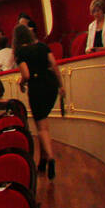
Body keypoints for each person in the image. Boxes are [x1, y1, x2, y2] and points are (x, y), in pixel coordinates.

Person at [15, 23, 63, 178]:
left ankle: (50, 157)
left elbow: (27, 75)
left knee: (42, 128)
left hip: (37, 88)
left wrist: (21, 82)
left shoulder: (21, 53)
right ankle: (42, 161)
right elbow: (54, 65)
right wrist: (61, 86)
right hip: (51, 85)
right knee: (43, 123)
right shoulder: (42, 46)